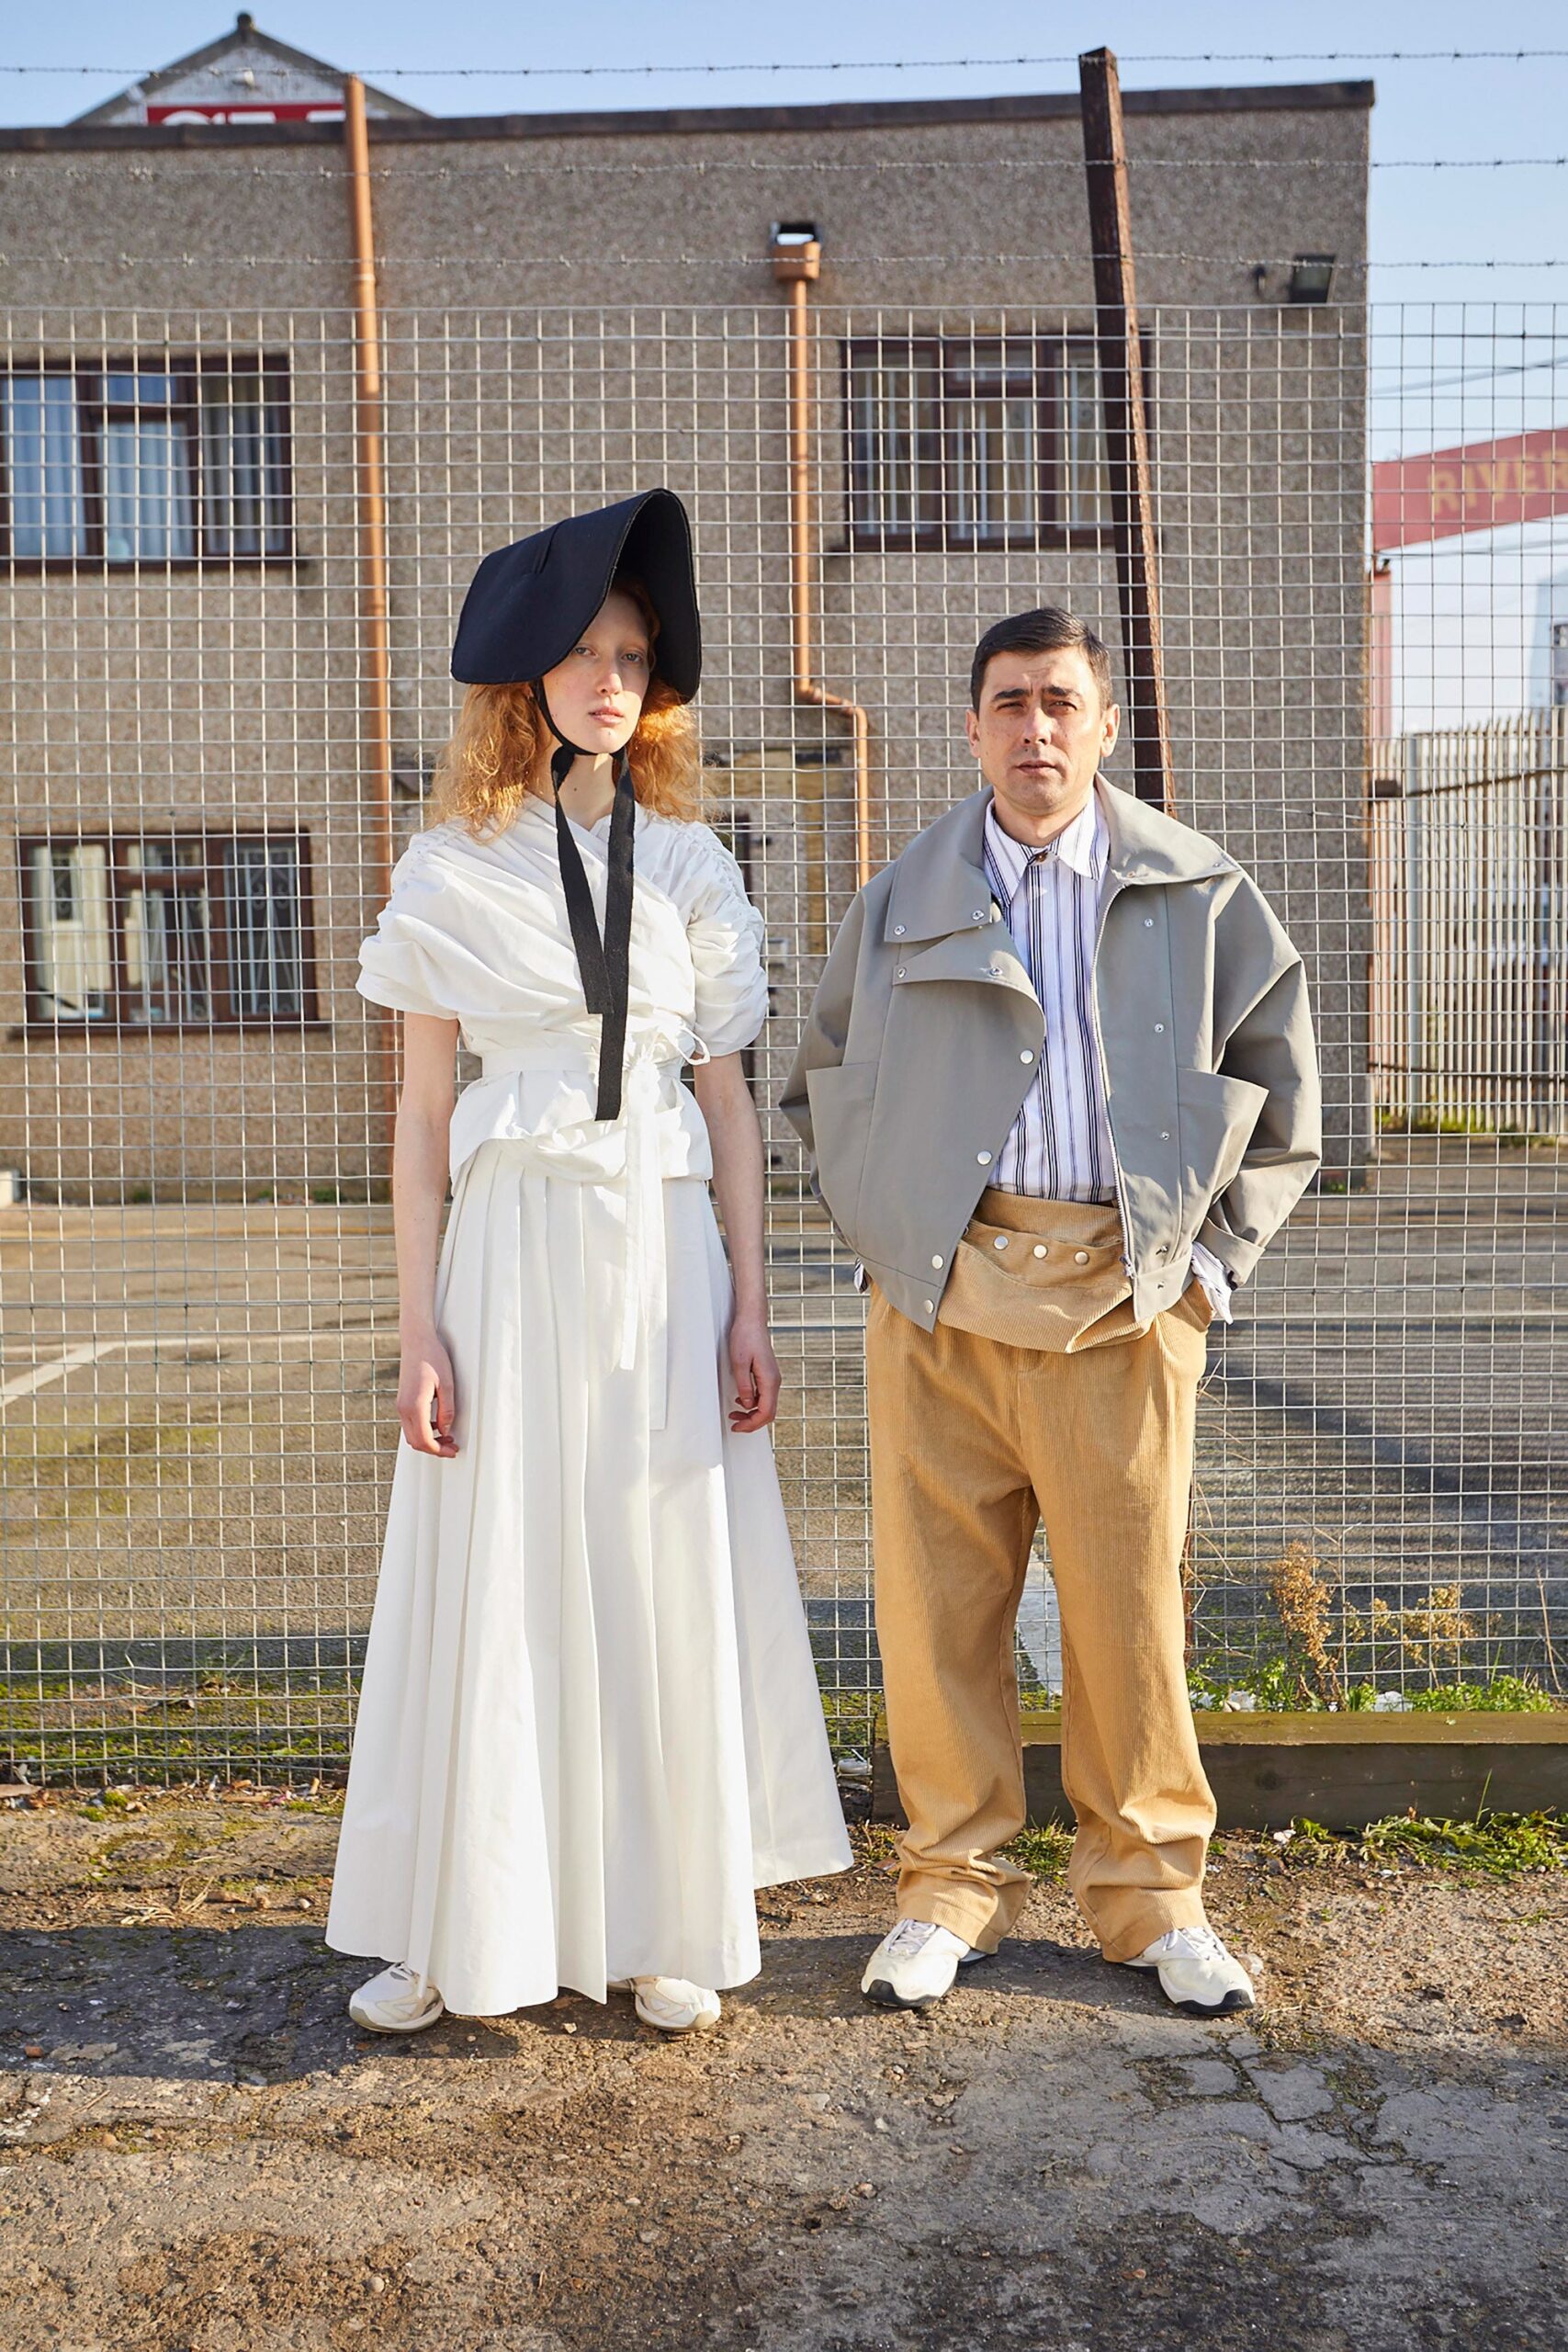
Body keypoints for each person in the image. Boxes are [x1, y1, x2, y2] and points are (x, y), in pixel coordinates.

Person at [327, 490, 850, 2038]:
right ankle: (449, 1927)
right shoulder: (445, 871)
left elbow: (731, 1104)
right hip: (505, 1258)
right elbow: (424, 1119)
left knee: (649, 1556)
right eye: (585, 652)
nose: (614, 677)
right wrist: (418, 1327)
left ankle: (661, 1918)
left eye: (634, 653)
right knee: (487, 1560)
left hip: (657, 1258)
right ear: (526, 682)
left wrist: (754, 1301)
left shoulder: (693, 872)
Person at [782, 605, 1321, 2018]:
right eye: (1008, 702)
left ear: (1102, 725)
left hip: (1125, 1300)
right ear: (971, 729)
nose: (1034, 728)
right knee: (935, 1605)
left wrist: (1208, 1271)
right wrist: (894, 1246)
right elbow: (824, 1082)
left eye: (1060, 702)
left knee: (1129, 1612)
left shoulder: (1198, 893)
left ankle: (1152, 1902)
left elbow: (1284, 1086)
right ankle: (948, 1890)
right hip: (945, 1302)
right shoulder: (903, 895)